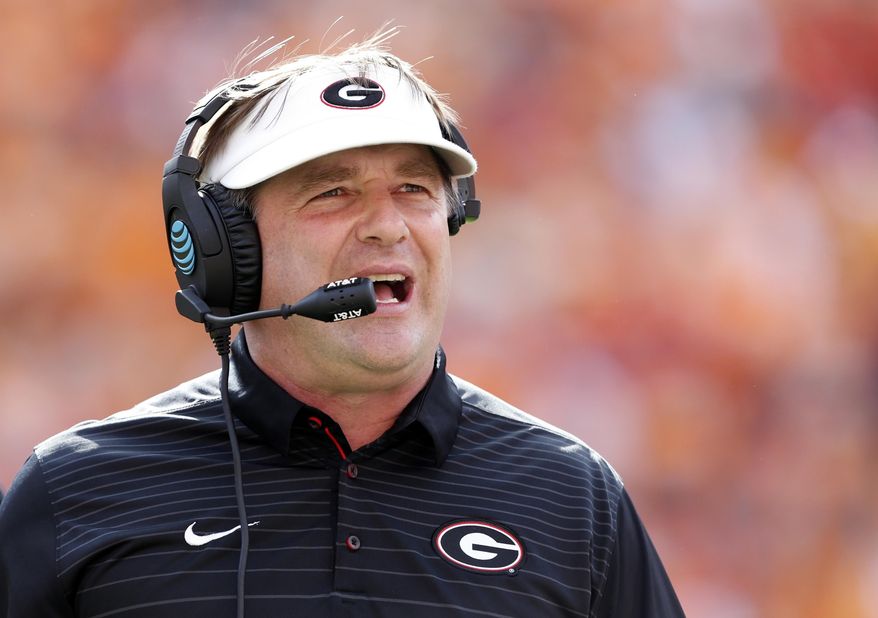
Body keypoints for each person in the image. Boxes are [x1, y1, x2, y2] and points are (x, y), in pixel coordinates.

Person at [0, 31, 685, 617]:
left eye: (414, 190)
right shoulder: (78, 490)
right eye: (333, 192)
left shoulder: (573, 499)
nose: (387, 226)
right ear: (226, 247)